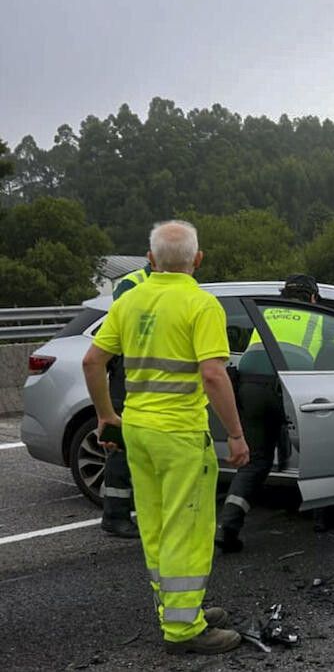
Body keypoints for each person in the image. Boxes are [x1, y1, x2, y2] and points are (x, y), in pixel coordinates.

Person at [82, 220, 249, 655]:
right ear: (198, 259)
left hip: (137, 430)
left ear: (151, 259)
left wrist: (106, 416)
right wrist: (235, 434)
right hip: (179, 434)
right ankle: (184, 629)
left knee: (156, 526)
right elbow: (213, 375)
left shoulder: (129, 300)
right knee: (187, 528)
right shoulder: (201, 304)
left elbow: (92, 362)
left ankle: (177, 608)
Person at [216, 274, 334, 552]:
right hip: (289, 385)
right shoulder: (314, 314)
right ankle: (321, 517)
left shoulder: (268, 311)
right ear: (313, 298)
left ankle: (227, 526)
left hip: (250, 385)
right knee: (316, 452)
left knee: (256, 462)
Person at [99, 262, 153, 539]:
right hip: (125, 369)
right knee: (120, 443)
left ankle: (127, 508)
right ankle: (115, 516)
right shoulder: (134, 283)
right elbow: (130, 325)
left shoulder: (167, 280)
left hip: (137, 369)